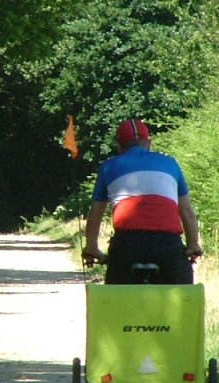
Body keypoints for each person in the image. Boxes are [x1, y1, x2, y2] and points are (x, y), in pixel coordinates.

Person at [82, 118, 203, 284]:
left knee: (117, 298)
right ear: (149, 143)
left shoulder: (108, 167)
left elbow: (95, 217)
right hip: (167, 244)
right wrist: (193, 246)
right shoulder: (170, 164)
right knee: (182, 295)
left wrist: (92, 249)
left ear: (119, 146)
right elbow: (187, 212)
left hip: (127, 245)